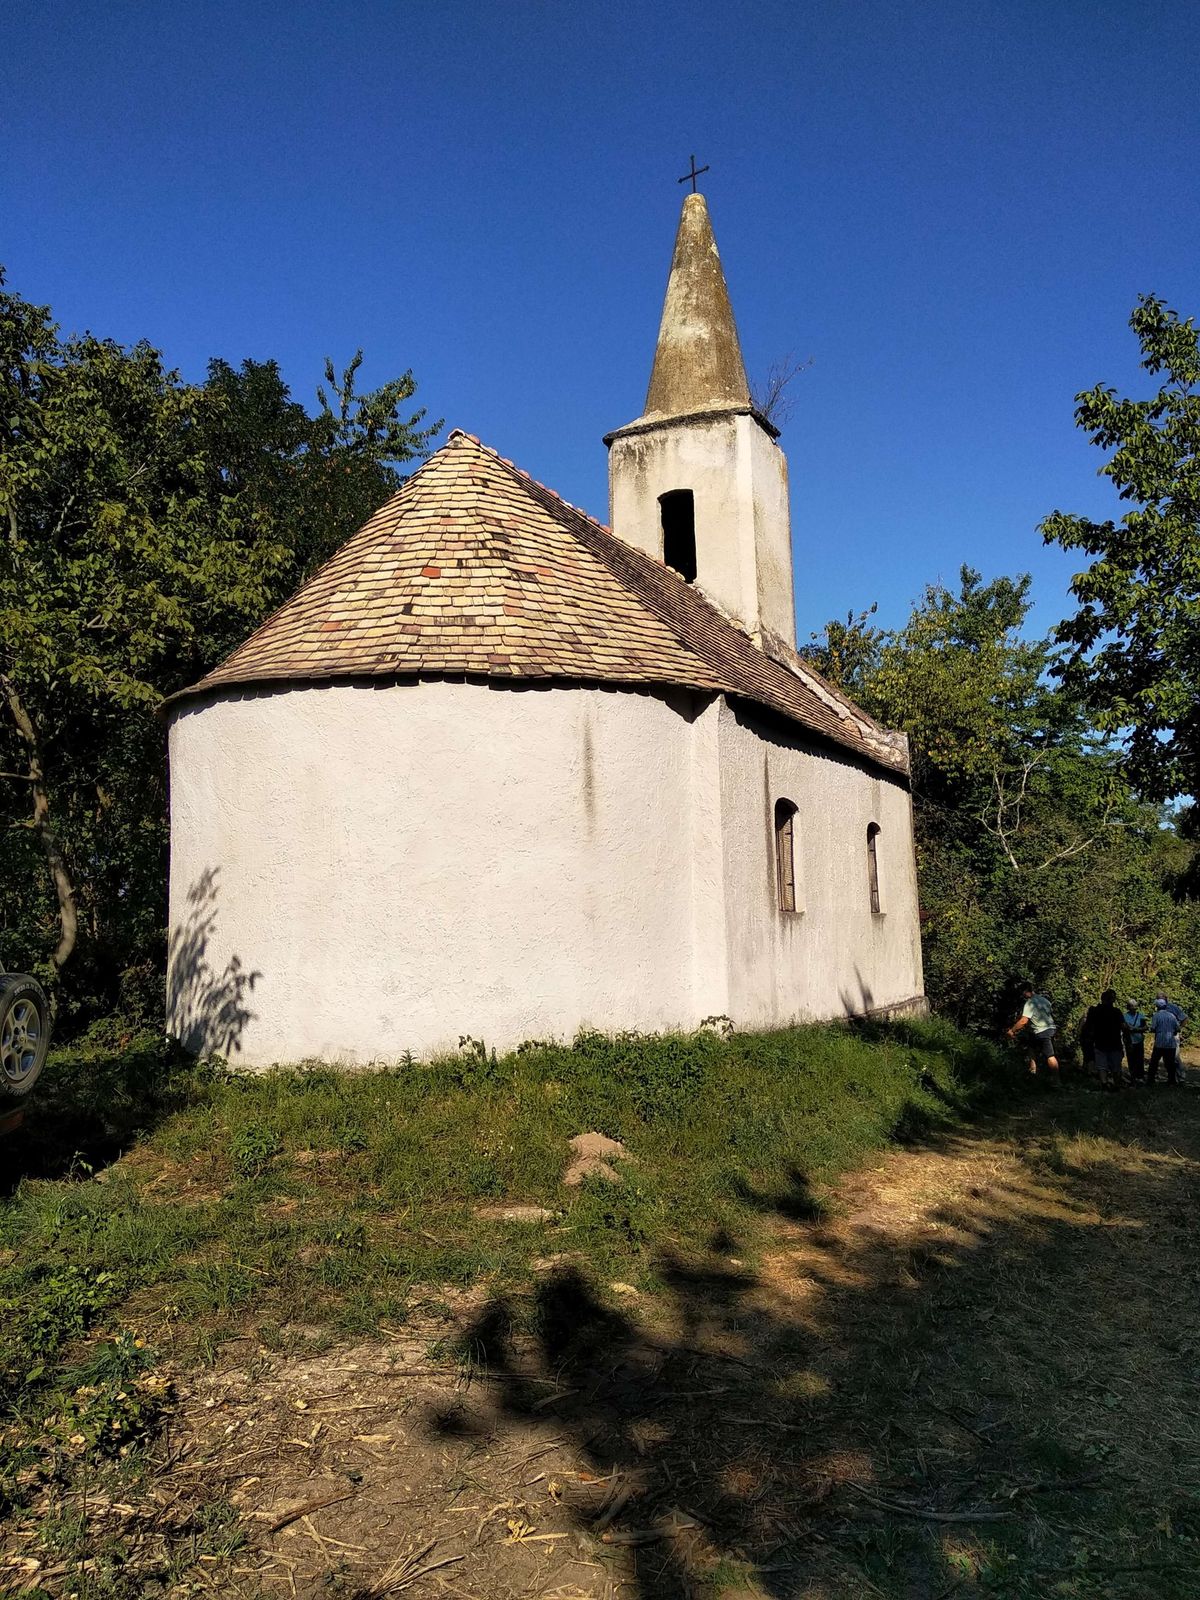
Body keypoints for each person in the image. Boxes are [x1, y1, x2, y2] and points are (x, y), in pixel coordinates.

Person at [1008, 983, 1060, 1084]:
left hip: (1042, 1031)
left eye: (1023, 992)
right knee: (1031, 1046)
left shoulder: (1030, 1003)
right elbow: (1048, 1013)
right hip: (1050, 1028)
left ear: (1026, 991)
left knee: (1050, 1055)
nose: (1022, 995)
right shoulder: (1044, 1000)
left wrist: (1012, 1030)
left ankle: (1057, 1081)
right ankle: (1033, 1071)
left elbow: (1023, 1021)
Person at [1081, 989, 1125, 1090]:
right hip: (1114, 1042)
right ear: (1113, 1000)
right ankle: (1116, 1085)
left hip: (1099, 1042)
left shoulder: (1094, 1011)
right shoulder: (1116, 1012)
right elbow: (1123, 1027)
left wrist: (1088, 1040)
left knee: (1102, 1065)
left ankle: (1104, 1084)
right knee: (1115, 1066)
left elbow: (1088, 1026)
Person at [1148, 996, 1186, 1086]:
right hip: (1170, 1043)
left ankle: (1151, 1079)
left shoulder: (1156, 1016)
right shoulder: (1172, 1016)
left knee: (1154, 1061)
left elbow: (1153, 1028)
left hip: (1159, 1042)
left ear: (1157, 1006)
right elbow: (1177, 1028)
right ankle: (1172, 1080)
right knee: (1170, 1063)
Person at [1122, 999, 1147, 1084]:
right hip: (1129, 1041)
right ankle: (1133, 1076)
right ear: (1128, 1007)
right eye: (1132, 1007)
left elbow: (1145, 1027)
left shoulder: (1141, 1016)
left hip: (1139, 1040)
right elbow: (1124, 1027)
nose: (1133, 1008)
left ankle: (1140, 1076)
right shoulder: (1124, 1016)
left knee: (1140, 1058)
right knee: (1131, 1059)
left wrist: (1136, 1029)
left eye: (1134, 1007)